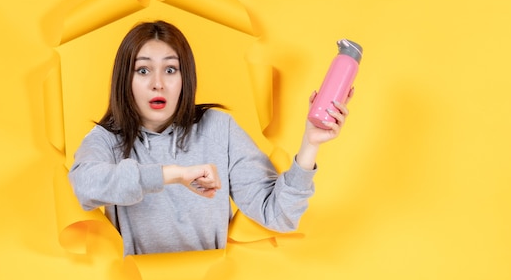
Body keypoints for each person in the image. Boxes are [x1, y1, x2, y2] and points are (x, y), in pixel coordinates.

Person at [68, 20, 352, 256]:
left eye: (170, 69)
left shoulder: (218, 129)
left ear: (184, 77)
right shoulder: (107, 139)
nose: (158, 83)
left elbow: (277, 213)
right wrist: (174, 174)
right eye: (143, 70)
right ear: (124, 80)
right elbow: (86, 185)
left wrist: (310, 144)